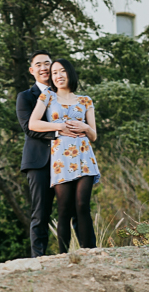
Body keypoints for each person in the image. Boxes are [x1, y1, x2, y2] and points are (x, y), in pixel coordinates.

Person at [28, 57, 100, 253]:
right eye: (54, 73)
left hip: (84, 157)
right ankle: (63, 255)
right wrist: (59, 126)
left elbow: (93, 135)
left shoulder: (85, 100)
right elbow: (33, 124)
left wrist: (85, 126)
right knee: (64, 209)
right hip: (61, 158)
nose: (58, 76)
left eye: (62, 71)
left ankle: (89, 252)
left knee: (82, 204)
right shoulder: (47, 97)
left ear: (70, 73)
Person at [15, 49, 58, 258]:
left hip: (65, 161)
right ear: (32, 70)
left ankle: (72, 255)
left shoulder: (63, 94)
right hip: (38, 162)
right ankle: (38, 260)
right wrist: (60, 131)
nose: (44, 68)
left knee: (72, 209)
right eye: (39, 64)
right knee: (40, 214)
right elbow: (29, 128)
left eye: (47, 63)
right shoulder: (25, 97)